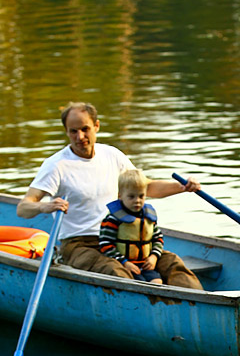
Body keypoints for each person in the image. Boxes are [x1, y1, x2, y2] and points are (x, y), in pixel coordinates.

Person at [16, 101, 203, 289]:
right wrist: (44, 206)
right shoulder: (56, 165)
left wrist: (181, 187)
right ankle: (143, 310)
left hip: (120, 236)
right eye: (73, 131)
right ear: (66, 132)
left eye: (85, 129)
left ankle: (201, 306)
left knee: (172, 263)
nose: (80, 137)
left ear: (96, 126)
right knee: (115, 271)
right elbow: (23, 208)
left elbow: (147, 187)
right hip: (79, 244)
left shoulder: (112, 155)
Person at [99, 169, 166, 285]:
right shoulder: (113, 219)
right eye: (131, 197)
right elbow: (105, 244)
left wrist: (154, 256)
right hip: (124, 264)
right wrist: (124, 262)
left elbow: (158, 238)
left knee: (157, 282)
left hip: (146, 264)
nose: (137, 201)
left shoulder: (148, 217)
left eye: (141, 196)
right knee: (138, 284)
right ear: (120, 196)